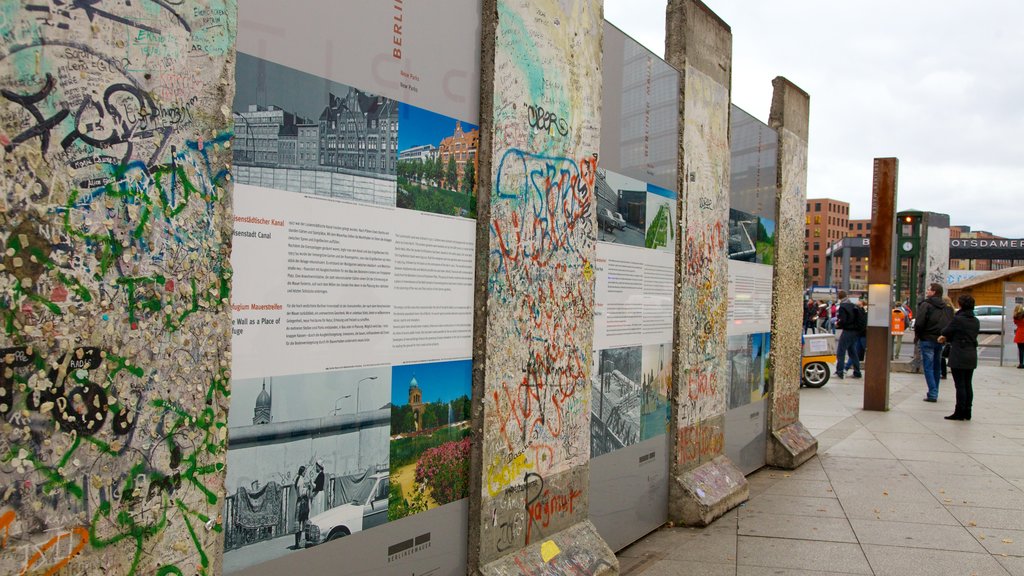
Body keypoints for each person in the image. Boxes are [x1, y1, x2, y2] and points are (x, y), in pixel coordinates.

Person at [938, 294, 980, 420]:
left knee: (960, 385)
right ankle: (968, 410)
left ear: (961, 305)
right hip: (971, 353)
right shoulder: (975, 320)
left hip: (959, 354)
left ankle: (959, 411)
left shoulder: (959, 319)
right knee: (968, 383)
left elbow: (945, 331)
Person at [915, 283, 953, 402]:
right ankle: (934, 390)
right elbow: (950, 323)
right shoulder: (947, 307)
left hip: (927, 338)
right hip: (940, 339)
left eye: (929, 289)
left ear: (934, 292)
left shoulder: (926, 305)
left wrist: (918, 336)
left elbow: (920, 323)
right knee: (936, 366)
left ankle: (932, 393)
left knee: (928, 367)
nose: (927, 291)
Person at [834, 290, 863, 379]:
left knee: (840, 352)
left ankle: (840, 371)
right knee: (852, 352)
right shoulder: (852, 305)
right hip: (855, 331)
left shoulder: (843, 307)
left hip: (848, 331)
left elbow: (844, 320)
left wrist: (838, 324)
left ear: (839, 297)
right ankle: (857, 372)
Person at [293, 465, 310, 549]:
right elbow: (300, 493)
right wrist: (306, 490)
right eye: (304, 472)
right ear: (302, 472)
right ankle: (298, 542)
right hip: (302, 502)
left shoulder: (298, 479)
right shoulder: (301, 480)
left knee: (299, 522)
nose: (305, 473)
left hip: (299, 501)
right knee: (300, 521)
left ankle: (298, 542)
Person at [940, 295, 955, 380]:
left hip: (943, 333)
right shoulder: (952, 310)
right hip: (950, 336)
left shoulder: (944, 309)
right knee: (947, 353)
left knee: (941, 355)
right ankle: (947, 371)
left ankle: (943, 372)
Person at [1013, 304, 1024, 369]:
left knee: (1020, 350)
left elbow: (1016, 323)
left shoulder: (1015, 316)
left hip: (1019, 333)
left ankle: (1021, 363)